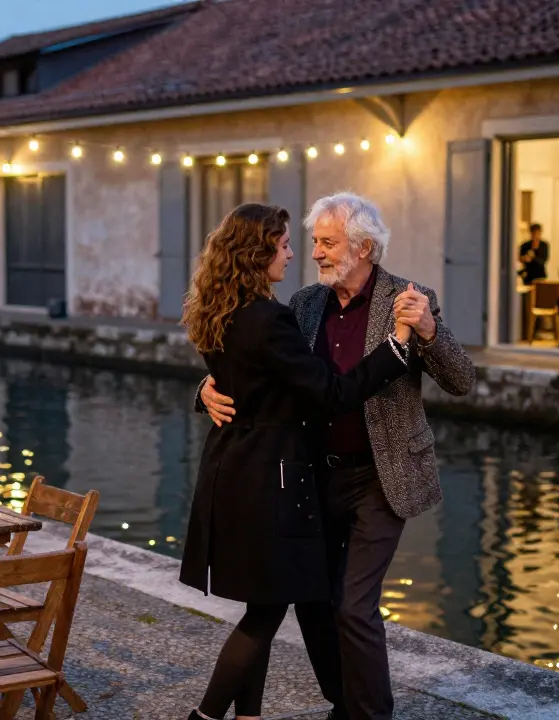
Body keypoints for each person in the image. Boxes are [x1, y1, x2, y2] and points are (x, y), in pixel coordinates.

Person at [198, 193, 475, 720]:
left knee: (353, 605)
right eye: (312, 242)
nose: (315, 253)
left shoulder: (409, 298)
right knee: (313, 602)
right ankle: (344, 704)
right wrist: (205, 388)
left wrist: (430, 333)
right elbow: (258, 359)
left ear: (364, 247)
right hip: (310, 479)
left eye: (328, 243)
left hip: (380, 475)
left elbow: (462, 380)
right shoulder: (303, 303)